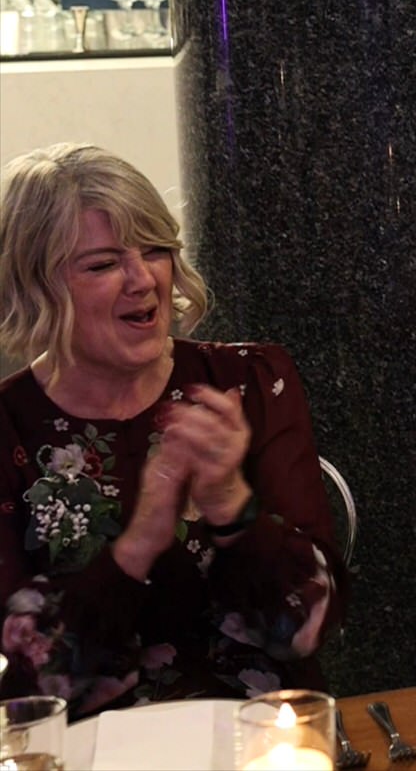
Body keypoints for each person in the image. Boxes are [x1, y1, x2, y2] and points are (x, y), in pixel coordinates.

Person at [0, 144, 343, 715]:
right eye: (103, 264)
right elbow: (30, 679)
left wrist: (232, 507)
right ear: (38, 288)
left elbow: (310, 627)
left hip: (259, 741)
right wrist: (137, 544)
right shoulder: (7, 425)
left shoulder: (247, 382)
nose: (143, 280)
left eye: (155, 249)